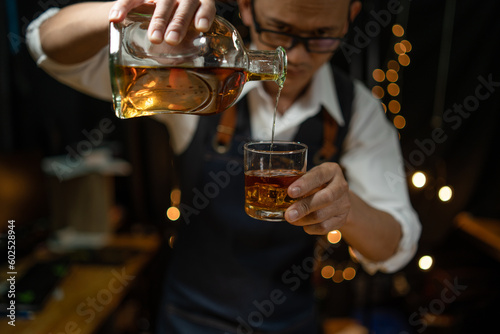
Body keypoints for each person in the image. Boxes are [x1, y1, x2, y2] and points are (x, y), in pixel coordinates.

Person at [26, 0, 421, 332]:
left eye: (321, 36)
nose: (296, 55)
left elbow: (395, 246)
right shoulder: (200, 74)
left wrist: (346, 207)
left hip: (290, 323)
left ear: (350, 16)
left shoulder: (358, 110)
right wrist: (127, 8)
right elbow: (46, 46)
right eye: (279, 30)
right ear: (247, 9)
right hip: (189, 319)